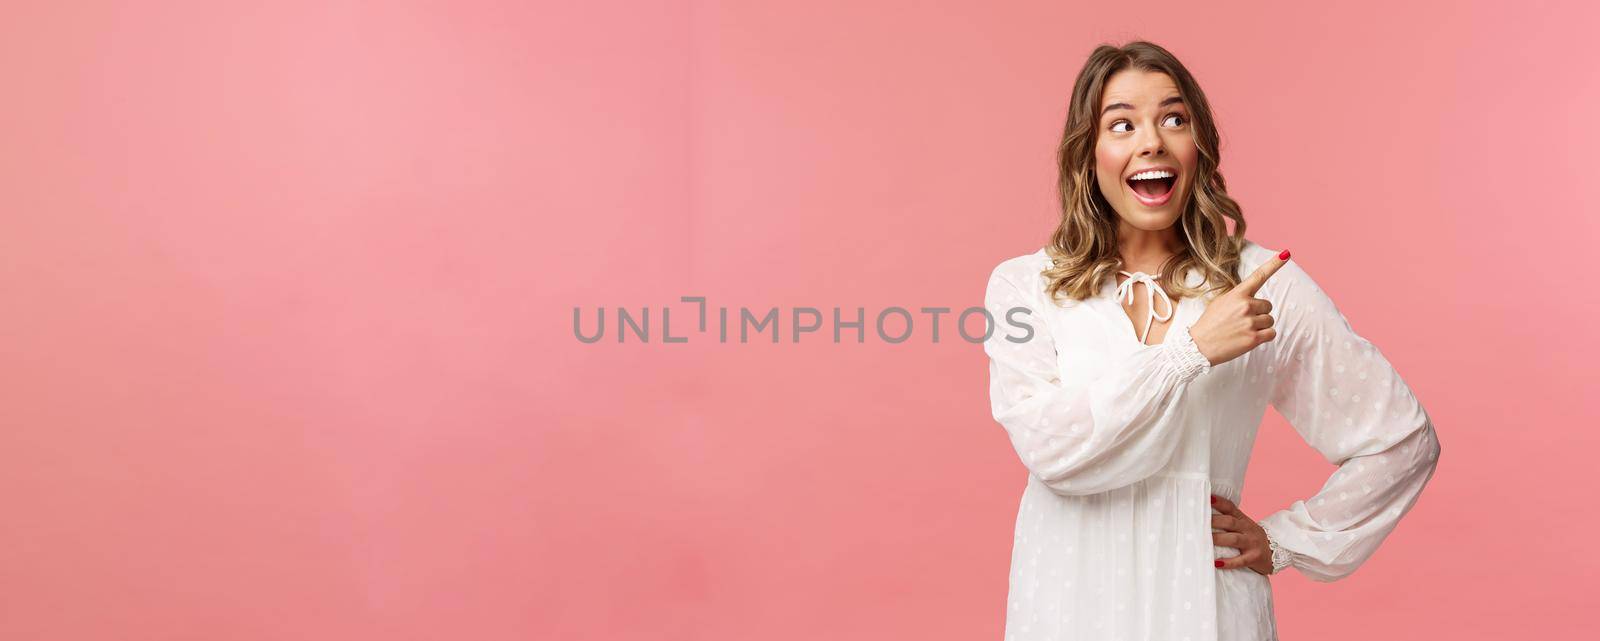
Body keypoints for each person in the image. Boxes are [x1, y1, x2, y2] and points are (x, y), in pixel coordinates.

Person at [981, 41, 1441, 641]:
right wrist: (1190, 352)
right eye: (1122, 124)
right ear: (1086, 154)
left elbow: (1401, 441)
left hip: (1207, 605)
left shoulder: (1258, 283)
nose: (1152, 141)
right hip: (1068, 603)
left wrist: (1286, 542)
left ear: (1198, 146)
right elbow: (1052, 451)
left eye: (1174, 119)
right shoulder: (1026, 286)